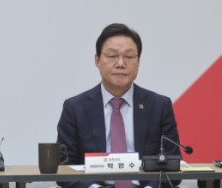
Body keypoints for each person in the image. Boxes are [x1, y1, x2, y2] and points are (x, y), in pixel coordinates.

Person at [56, 23, 181, 188]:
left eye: (129, 57)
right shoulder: (75, 108)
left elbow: (172, 165)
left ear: (138, 61)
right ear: (97, 60)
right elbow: (64, 167)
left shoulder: (159, 106)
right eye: (112, 56)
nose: (121, 63)